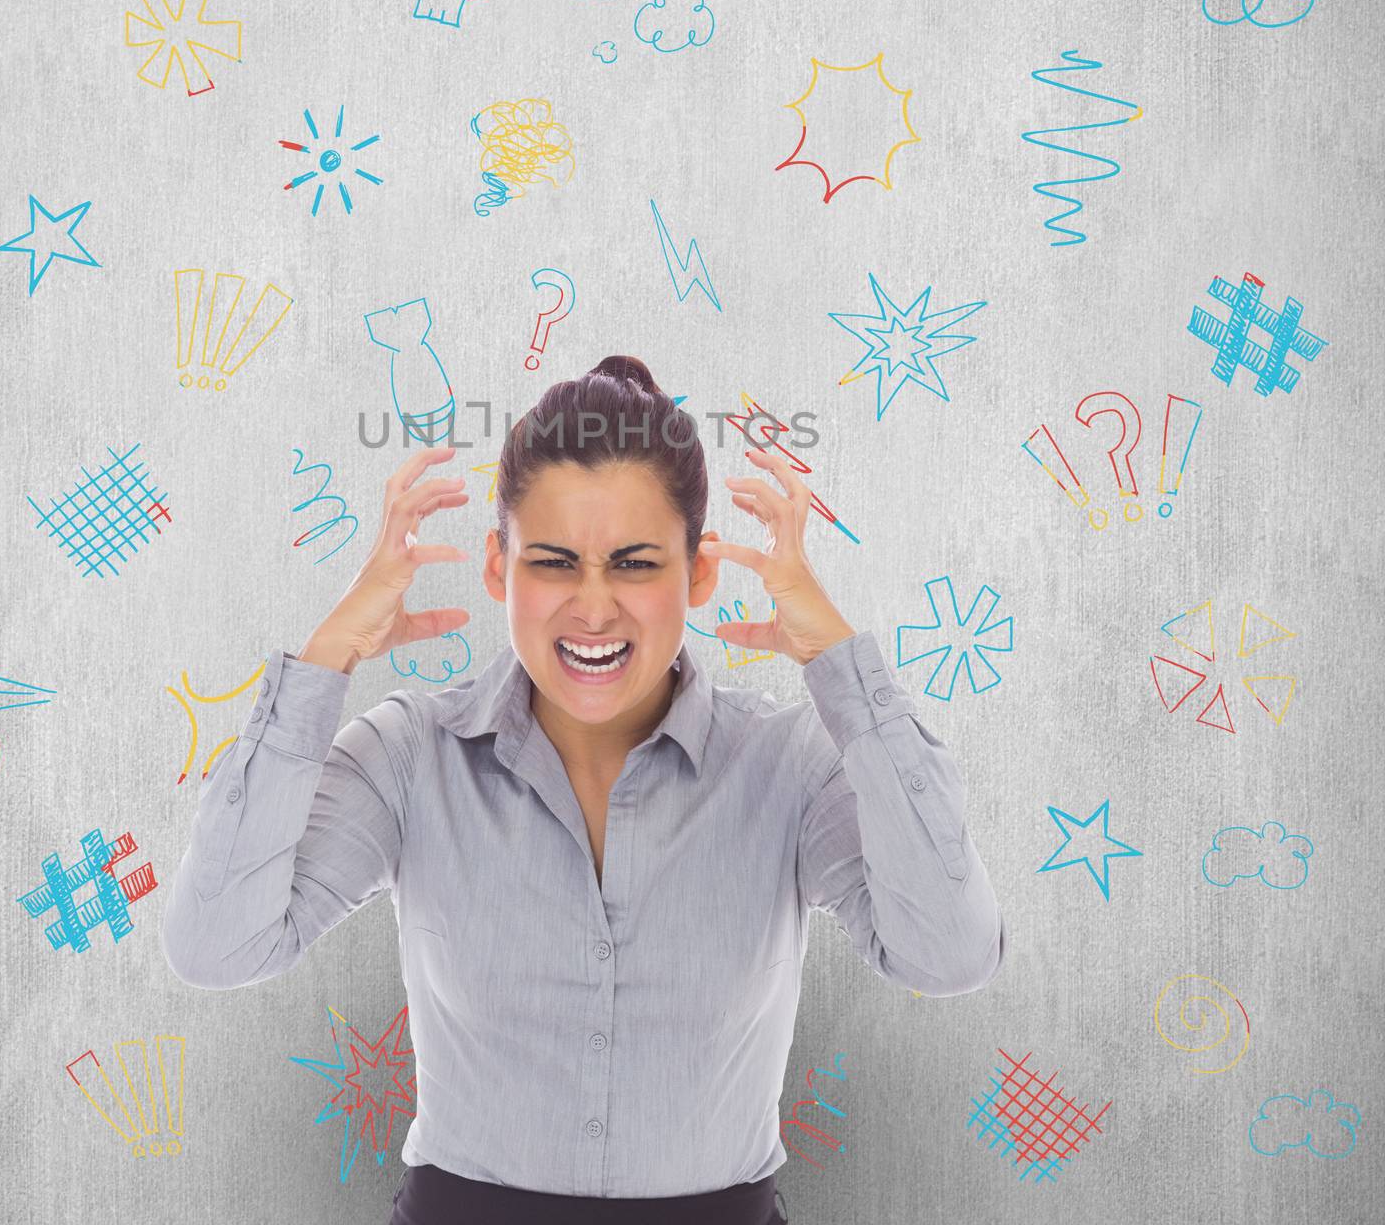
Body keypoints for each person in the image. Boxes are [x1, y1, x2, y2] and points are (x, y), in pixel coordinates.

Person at [161, 355, 1009, 1223]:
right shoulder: (415, 752)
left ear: (700, 574)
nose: (594, 608)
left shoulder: (787, 766)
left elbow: (949, 954)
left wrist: (841, 667)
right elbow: (216, 944)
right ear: (500, 570)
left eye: (637, 564)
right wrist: (327, 654)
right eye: (555, 563)